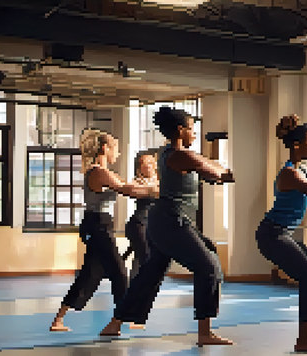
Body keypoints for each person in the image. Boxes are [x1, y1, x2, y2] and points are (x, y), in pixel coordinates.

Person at [99, 107, 235, 347]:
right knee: (209, 265)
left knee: (150, 273)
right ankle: (205, 333)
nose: (194, 133)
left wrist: (215, 168)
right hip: (171, 222)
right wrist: (220, 171)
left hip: (163, 221)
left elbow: (210, 167)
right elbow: (216, 173)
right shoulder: (181, 156)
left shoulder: (170, 154)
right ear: (181, 130)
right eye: (192, 129)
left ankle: (115, 324)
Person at [50, 129, 158, 332]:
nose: (117, 153)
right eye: (115, 148)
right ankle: (119, 320)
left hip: (100, 224)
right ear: (104, 148)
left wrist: (150, 187)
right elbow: (128, 190)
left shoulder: (106, 172)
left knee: (90, 274)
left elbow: (129, 186)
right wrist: (156, 190)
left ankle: (58, 320)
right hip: (96, 224)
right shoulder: (99, 171)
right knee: (119, 272)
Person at [255, 114, 307, 354]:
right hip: (271, 234)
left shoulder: (304, 171)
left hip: (283, 233)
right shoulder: (291, 174)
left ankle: (305, 337)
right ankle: (305, 340)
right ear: (297, 145)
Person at [124, 152, 159, 280]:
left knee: (144, 257)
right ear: (139, 167)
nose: (147, 166)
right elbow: (133, 191)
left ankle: (137, 287)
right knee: (144, 256)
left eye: (150, 163)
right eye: (143, 164)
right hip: (139, 223)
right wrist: (152, 189)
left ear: (155, 165)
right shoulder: (136, 182)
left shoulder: (162, 180)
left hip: (155, 225)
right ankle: (136, 286)